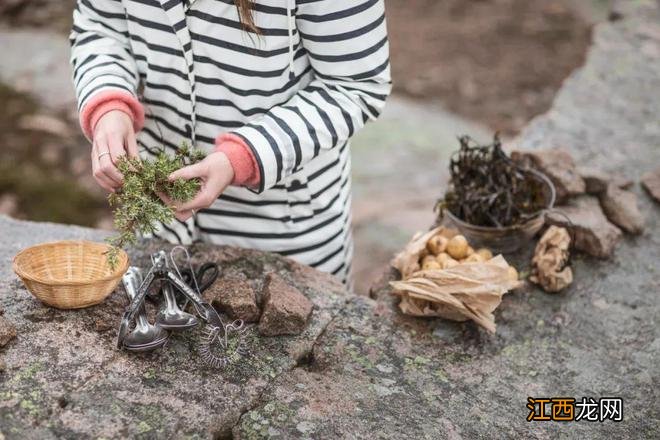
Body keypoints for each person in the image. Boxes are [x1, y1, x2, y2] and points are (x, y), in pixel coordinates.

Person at [70, 0, 391, 284]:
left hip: (283, 235)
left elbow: (354, 86)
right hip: (161, 219)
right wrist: (109, 105)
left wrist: (243, 157)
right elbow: (101, 27)